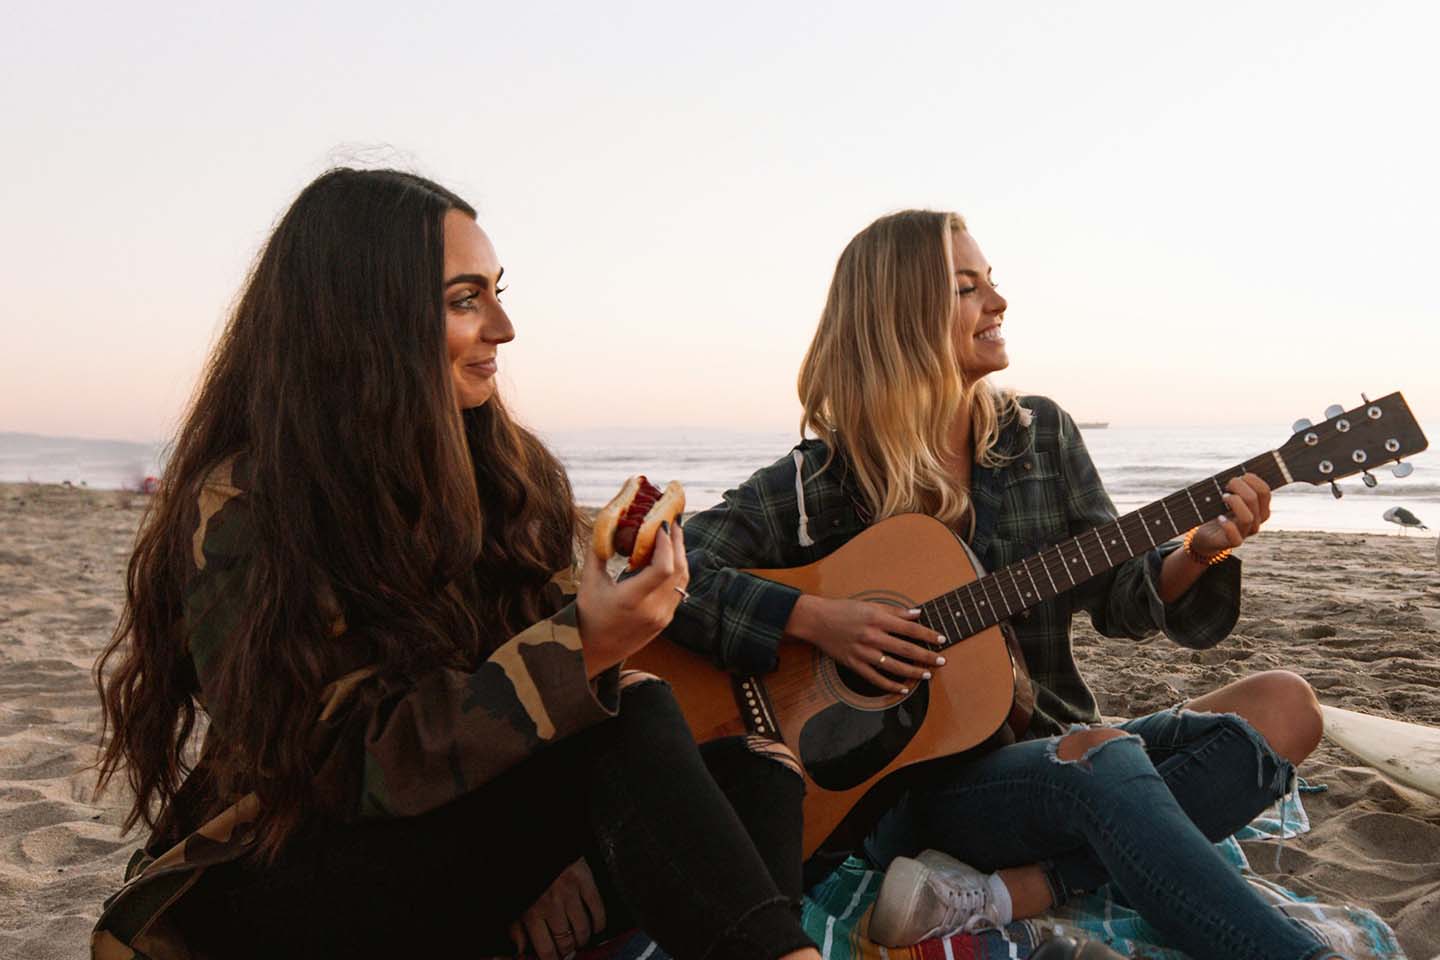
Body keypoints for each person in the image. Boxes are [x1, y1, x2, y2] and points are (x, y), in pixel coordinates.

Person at [91, 168, 818, 960]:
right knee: (630, 712)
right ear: (367, 320)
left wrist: (559, 849)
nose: (503, 327)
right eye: (465, 299)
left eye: (499, 292)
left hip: (456, 842)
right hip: (294, 878)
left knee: (756, 765)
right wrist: (588, 648)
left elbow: (537, 722)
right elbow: (341, 772)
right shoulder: (251, 507)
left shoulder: (503, 474)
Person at [664, 210, 1342, 960]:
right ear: (898, 316)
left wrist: (1201, 552)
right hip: (916, 795)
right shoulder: (818, 481)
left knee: (1285, 706)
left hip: (1052, 744)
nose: (998, 303)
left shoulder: (1041, 434)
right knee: (1101, 755)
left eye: (993, 282)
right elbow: (665, 573)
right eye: (967, 287)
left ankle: (1020, 890)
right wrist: (816, 619)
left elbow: (1122, 597)